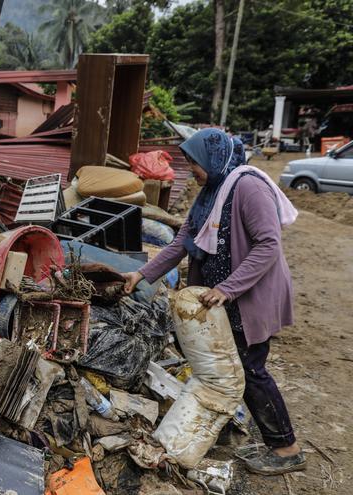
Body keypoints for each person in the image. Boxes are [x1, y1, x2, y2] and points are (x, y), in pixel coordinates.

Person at [122, 128, 305, 475]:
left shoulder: (248, 186)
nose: (191, 169)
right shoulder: (212, 191)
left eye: (194, 162)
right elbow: (181, 242)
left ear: (213, 157)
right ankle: (234, 430)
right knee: (227, 368)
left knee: (249, 369)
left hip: (249, 295)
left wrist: (228, 288)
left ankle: (286, 448)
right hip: (225, 298)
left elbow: (269, 244)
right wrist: (141, 275)